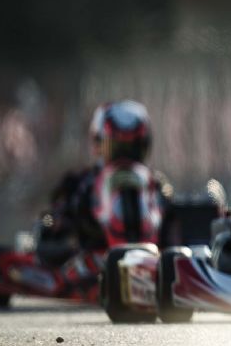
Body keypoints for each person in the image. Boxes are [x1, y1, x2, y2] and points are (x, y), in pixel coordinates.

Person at [41, 100, 156, 254]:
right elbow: (51, 223)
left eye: (132, 148)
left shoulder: (157, 186)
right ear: (98, 144)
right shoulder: (78, 184)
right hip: (90, 259)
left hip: (150, 257)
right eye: (117, 148)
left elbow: (175, 227)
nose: (125, 157)